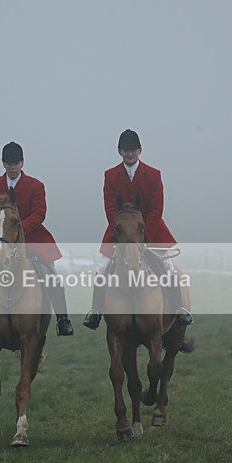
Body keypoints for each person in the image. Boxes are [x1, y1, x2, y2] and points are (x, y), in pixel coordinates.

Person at [0, 141, 73, 336]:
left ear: (22, 163)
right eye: (9, 163)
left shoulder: (36, 185)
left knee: (51, 275)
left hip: (32, 239)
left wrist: (18, 231)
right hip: (1, 240)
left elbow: (39, 214)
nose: (13, 167)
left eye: (16, 163)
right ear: (3, 164)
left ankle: (62, 319)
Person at [83, 129, 193, 329]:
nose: (130, 153)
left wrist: (143, 236)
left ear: (140, 150)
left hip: (152, 231)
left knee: (168, 267)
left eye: (133, 150)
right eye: (126, 150)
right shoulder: (110, 175)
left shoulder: (153, 174)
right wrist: (122, 232)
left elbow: (157, 208)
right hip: (120, 233)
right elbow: (109, 208)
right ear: (119, 151)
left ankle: (179, 308)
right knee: (102, 268)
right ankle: (96, 310)